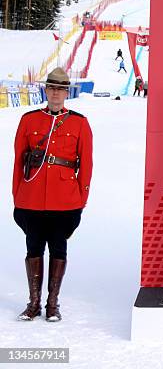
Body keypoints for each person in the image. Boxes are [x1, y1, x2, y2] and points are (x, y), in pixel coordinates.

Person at [12, 67, 93, 322]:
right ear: (46, 90)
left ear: (66, 93)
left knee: (59, 248)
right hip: (32, 197)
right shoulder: (29, 120)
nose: (56, 93)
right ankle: (33, 303)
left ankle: (52, 303)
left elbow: (87, 164)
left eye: (61, 89)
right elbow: (18, 160)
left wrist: (80, 199)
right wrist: (18, 195)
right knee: (33, 247)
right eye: (52, 88)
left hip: (65, 200)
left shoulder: (79, 122)